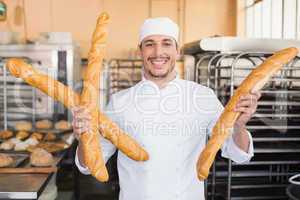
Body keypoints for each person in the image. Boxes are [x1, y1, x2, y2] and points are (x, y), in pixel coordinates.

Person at [72, 17, 261, 200]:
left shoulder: (202, 97)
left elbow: (238, 154)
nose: (158, 52)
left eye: (166, 43)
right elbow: (89, 165)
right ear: (140, 51)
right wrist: (83, 138)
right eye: (149, 44)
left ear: (177, 50)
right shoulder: (119, 102)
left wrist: (239, 126)